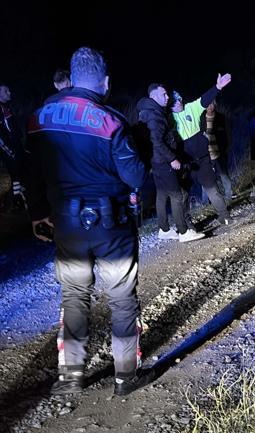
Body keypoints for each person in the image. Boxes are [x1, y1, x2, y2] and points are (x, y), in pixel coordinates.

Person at [25, 47, 153, 396]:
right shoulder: (111, 120)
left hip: (66, 225)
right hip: (112, 226)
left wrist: (37, 211)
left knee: (74, 296)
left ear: (71, 76)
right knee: (122, 299)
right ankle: (126, 377)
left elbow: (31, 172)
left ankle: (72, 376)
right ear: (105, 82)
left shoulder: (39, 118)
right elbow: (136, 178)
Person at [137, 83, 204, 242]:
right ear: (154, 97)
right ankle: (183, 231)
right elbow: (157, 142)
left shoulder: (147, 111)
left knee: (161, 194)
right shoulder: (154, 115)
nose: (168, 98)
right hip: (163, 161)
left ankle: (164, 229)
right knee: (178, 195)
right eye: (164, 95)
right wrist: (172, 159)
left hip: (156, 161)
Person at [171, 74, 232, 225]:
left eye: (179, 98)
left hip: (203, 159)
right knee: (184, 194)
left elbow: (204, 99)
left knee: (212, 189)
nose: (178, 102)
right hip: (186, 162)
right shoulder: (169, 119)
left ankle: (224, 216)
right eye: (175, 101)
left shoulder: (191, 107)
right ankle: (186, 224)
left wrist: (217, 87)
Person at [0, 82, 27, 210]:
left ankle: (17, 199)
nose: (9, 93)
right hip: (8, 149)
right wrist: (9, 151)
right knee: (14, 173)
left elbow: (12, 128)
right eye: (6, 91)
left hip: (15, 146)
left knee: (18, 174)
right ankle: (13, 201)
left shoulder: (7, 107)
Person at [204, 101, 233, 202]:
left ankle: (228, 194)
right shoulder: (201, 118)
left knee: (223, 173)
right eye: (208, 104)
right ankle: (207, 201)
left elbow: (227, 132)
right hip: (206, 152)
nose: (210, 107)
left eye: (212, 104)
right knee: (207, 176)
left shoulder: (221, 117)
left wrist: (227, 145)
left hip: (219, 150)